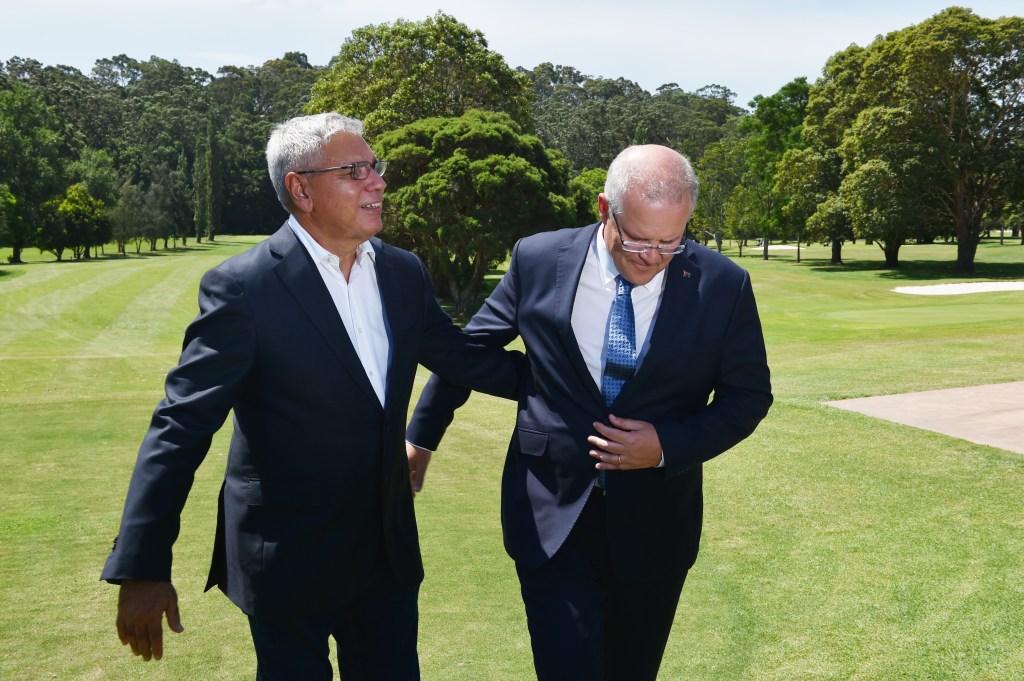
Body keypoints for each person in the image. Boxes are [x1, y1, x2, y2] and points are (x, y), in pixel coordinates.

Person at [100, 112, 522, 680]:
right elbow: (180, 427)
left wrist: (582, 385)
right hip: (286, 563)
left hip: (386, 558)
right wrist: (142, 565)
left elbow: (464, 359)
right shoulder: (244, 288)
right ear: (300, 189)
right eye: (355, 170)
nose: (378, 182)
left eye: (375, 167)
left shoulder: (402, 272)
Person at [406, 144, 772, 680]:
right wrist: (423, 434)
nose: (652, 258)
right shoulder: (538, 258)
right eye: (639, 240)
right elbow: (471, 352)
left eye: (671, 243)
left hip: (655, 527)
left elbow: (749, 398)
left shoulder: (724, 284)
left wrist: (666, 445)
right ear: (605, 208)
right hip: (550, 515)